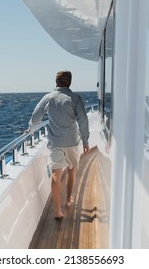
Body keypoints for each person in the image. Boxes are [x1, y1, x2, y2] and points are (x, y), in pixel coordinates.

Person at [26, 70, 89, 219]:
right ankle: (68, 200)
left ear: (56, 81)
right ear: (70, 82)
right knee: (72, 169)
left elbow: (36, 116)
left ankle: (58, 211)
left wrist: (30, 130)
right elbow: (83, 120)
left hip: (55, 142)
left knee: (56, 173)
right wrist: (85, 140)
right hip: (73, 142)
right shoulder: (75, 98)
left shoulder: (48, 98)